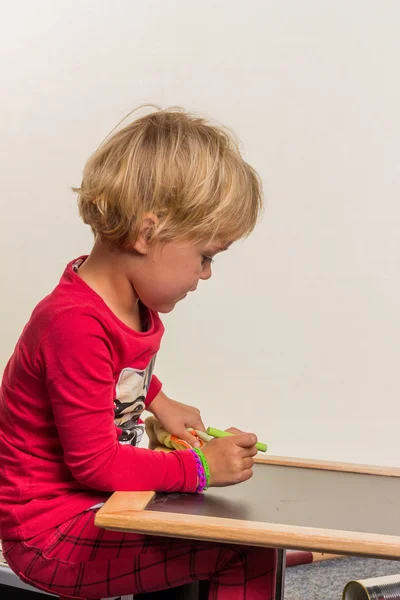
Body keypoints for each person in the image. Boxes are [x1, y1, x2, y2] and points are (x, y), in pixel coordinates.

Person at [0, 108, 276, 599]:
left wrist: (161, 403)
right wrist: (201, 469)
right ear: (148, 233)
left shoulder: (123, 306)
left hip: (99, 506)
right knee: (242, 551)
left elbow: (114, 374)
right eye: (206, 256)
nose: (206, 274)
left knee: (232, 534)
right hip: (53, 534)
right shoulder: (74, 324)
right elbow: (94, 464)